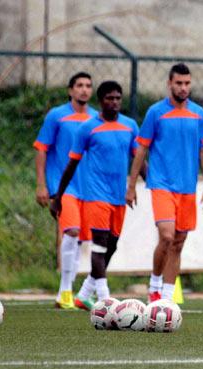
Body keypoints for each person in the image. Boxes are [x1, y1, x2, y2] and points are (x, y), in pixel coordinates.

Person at [126, 63, 203, 303]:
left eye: (187, 83)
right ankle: (154, 285)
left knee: (178, 242)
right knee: (166, 236)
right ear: (169, 84)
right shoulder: (156, 112)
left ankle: (166, 298)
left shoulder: (198, 113)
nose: (183, 88)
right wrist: (132, 186)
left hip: (187, 187)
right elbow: (141, 149)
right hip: (161, 184)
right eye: (179, 83)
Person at [51, 81, 139, 309]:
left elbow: (138, 159)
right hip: (95, 196)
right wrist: (58, 196)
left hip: (118, 197)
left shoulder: (130, 126)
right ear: (101, 101)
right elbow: (71, 164)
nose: (115, 102)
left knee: (112, 246)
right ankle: (105, 299)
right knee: (99, 247)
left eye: (118, 98)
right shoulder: (88, 128)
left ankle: (85, 292)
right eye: (110, 98)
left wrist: (149, 183)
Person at [33, 72, 97, 309]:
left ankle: (77, 292)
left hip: (89, 188)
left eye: (88, 86)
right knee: (71, 231)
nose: (84, 90)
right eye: (79, 85)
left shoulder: (96, 119)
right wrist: (42, 185)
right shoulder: (57, 116)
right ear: (70, 90)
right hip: (63, 186)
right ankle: (65, 291)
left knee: (82, 240)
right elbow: (41, 149)